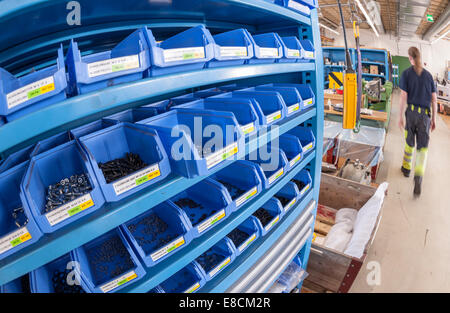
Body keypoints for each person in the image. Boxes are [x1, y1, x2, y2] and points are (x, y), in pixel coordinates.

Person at [398, 47, 437, 197]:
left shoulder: (406, 73)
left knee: (409, 144)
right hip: (425, 117)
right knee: (422, 149)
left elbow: (403, 97)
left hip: (411, 114)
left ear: (410, 58)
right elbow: (434, 100)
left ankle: (406, 169)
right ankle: (418, 177)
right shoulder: (428, 76)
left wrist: (400, 116)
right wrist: (433, 119)